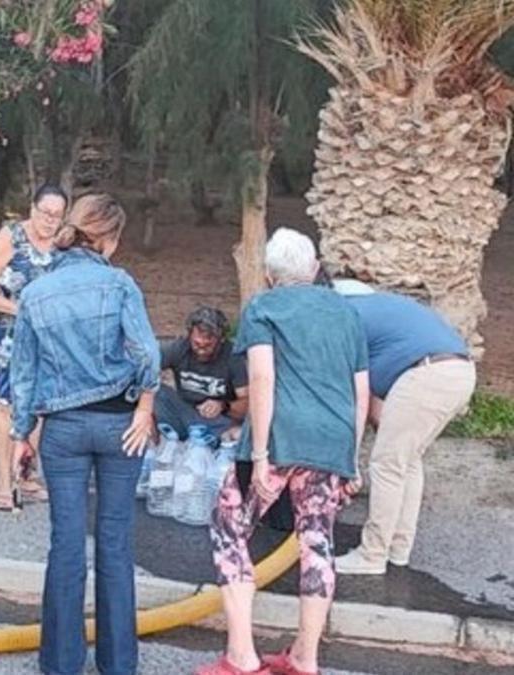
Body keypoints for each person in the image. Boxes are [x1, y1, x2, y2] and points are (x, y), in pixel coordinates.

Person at [198, 228, 369, 675]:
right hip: (331, 442)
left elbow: (261, 378)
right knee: (317, 540)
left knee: (228, 526)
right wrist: (350, 457)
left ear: (270, 277)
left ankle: (241, 656)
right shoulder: (346, 312)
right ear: (313, 270)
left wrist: (258, 455)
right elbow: (360, 389)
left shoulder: (263, 307)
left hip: (278, 440)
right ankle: (304, 659)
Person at [10, 194, 159, 675]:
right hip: (121, 429)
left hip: (64, 431)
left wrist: (21, 435)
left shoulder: (36, 292)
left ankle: (60, 662)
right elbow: (147, 355)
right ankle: (118, 665)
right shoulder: (118, 284)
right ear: (109, 239)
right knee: (115, 542)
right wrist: (146, 406)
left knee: (66, 544)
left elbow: (24, 375)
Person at [329, 278, 476, 575]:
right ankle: (398, 548)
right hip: (459, 371)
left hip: (426, 374)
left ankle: (371, 555)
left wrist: (349, 461)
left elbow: (361, 399)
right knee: (407, 461)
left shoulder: (346, 315)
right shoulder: (386, 312)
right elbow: (378, 407)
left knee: (386, 464)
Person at [0, 184, 68, 511]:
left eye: (57, 215)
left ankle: (24, 473)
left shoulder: (62, 244)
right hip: (4, 332)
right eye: (45, 213)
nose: (50, 221)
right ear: (33, 208)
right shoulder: (11, 236)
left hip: (44, 336)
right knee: (8, 405)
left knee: (39, 406)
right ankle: (3, 483)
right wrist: (21, 311)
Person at [156, 305, 248, 441]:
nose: (201, 349)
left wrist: (223, 406)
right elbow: (147, 368)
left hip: (218, 420)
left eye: (208, 345)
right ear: (190, 335)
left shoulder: (233, 356)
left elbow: (248, 403)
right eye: (197, 344)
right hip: (184, 412)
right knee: (155, 391)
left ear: (221, 340)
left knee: (238, 434)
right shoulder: (178, 348)